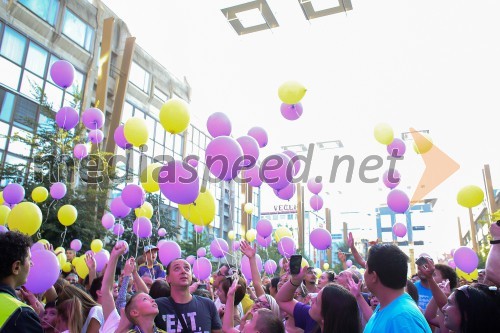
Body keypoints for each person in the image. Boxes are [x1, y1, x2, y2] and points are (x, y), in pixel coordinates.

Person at [363, 244, 431, 333]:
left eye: (366, 268)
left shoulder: (402, 318)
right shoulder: (386, 306)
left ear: (374, 276)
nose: (364, 274)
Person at [276, 265, 361, 333]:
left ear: (325, 319)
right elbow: (283, 300)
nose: (312, 300)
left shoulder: (313, 318)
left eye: (316, 301)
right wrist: (295, 281)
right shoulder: (312, 318)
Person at [154, 258, 222, 332]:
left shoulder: (208, 304)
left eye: (187, 268)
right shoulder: (157, 306)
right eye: (177, 268)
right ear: (168, 278)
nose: (183, 271)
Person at [0, 231, 43, 332]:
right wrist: (28, 317)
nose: (31, 264)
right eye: (29, 259)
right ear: (16, 267)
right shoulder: (22, 314)